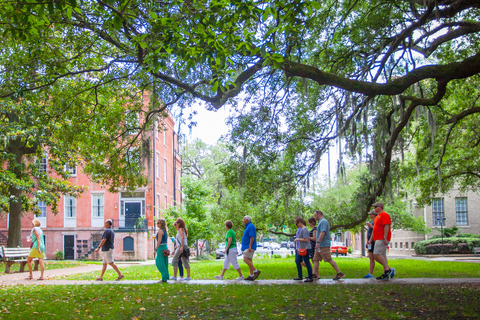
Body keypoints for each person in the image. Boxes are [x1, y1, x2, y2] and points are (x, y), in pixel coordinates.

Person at [313, 210, 345, 281]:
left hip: (323, 245)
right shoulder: (320, 222)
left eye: (315, 215)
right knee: (315, 259)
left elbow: (323, 232)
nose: (315, 217)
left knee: (329, 259)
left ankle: (339, 273)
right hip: (318, 246)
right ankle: (314, 274)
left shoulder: (323, 221)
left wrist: (318, 242)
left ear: (319, 214)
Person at [368, 202, 395, 280]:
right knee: (382, 256)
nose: (374, 208)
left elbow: (386, 226)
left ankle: (388, 269)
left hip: (381, 238)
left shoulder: (384, 215)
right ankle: (385, 273)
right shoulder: (377, 217)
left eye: (375, 207)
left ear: (380, 206)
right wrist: (370, 239)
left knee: (376, 255)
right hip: (377, 238)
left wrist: (385, 237)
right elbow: (375, 229)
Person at [293, 217, 313, 282]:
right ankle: (300, 276)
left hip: (306, 248)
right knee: (297, 260)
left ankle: (310, 277)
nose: (296, 225)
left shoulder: (304, 229)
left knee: (306, 262)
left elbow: (306, 239)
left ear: (300, 222)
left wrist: (297, 239)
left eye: (296, 224)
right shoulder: (302, 229)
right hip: (302, 248)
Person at [241, 215, 260, 281]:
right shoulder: (248, 227)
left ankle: (256, 271)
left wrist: (249, 246)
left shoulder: (250, 226)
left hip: (249, 246)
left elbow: (252, 237)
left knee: (245, 259)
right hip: (246, 246)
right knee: (249, 260)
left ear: (247, 220)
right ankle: (251, 275)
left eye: (243, 219)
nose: (242, 221)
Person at [363, 210, 378, 278]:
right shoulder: (372, 222)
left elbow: (376, 229)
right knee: (371, 257)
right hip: (370, 241)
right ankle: (370, 273)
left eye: (371, 214)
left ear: (374, 214)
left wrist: (370, 226)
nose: (370, 215)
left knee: (377, 257)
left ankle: (388, 269)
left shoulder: (376, 221)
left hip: (374, 241)